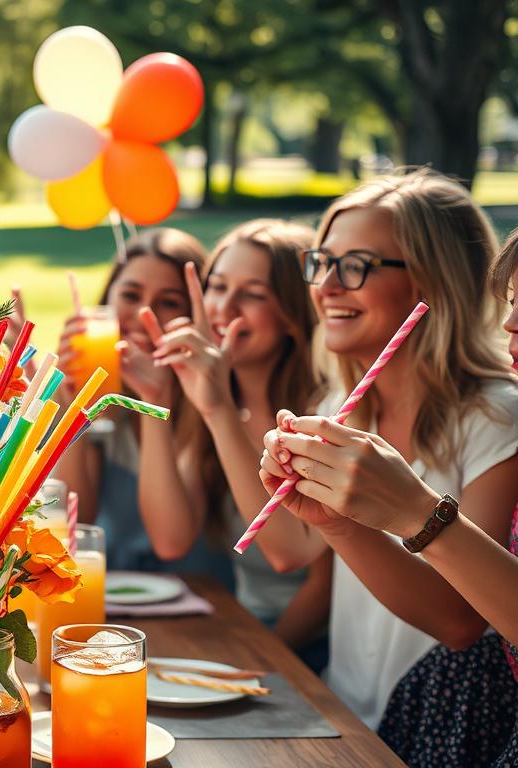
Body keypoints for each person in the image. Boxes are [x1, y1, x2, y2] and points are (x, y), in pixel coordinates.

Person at [239, 169, 518, 732]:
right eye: (323, 262)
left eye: (357, 266)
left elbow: (460, 622)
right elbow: (307, 565)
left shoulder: (497, 416)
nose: (327, 286)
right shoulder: (341, 402)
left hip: (434, 728)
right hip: (342, 708)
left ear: (432, 283)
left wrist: (359, 524)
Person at [137, 220, 332, 670]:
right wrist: (157, 402)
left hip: (310, 653)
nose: (224, 308)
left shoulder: (321, 411)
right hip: (246, 635)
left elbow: (321, 591)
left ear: (294, 310)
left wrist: (258, 662)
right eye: (217, 287)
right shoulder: (216, 397)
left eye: (254, 294)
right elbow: (170, 538)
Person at [52, 228, 235, 589]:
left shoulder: (207, 408)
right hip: (109, 609)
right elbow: (71, 523)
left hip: (203, 616)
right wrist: (72, 408)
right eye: (131, 295)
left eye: (168, 302)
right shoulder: (104, 406)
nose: (142, 313)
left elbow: (171, 542)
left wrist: (155, 401)